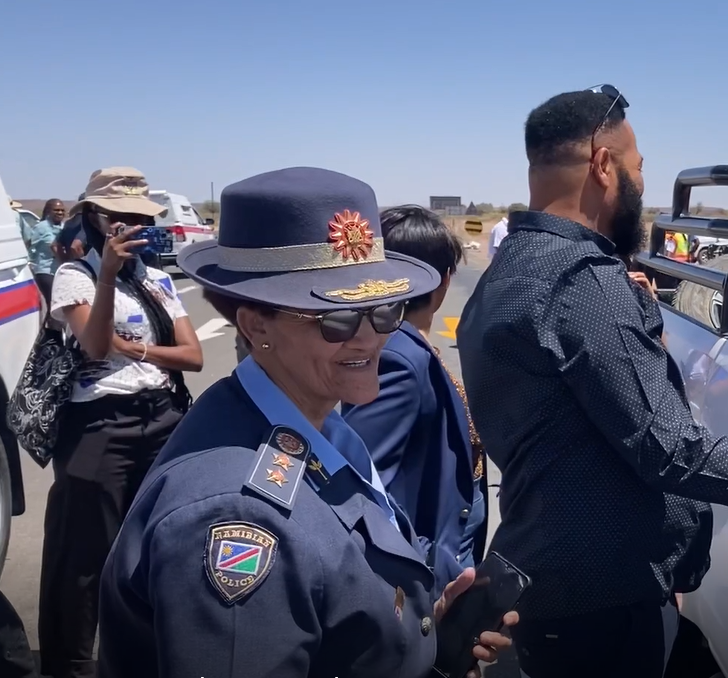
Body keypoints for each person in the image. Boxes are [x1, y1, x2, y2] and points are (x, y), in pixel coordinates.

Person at [457, 87, 728, 678]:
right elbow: (671, 450)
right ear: (604, 166)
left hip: (556, 586)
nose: (641, 184)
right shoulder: (582, 282)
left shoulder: (513, 268)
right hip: (600, 609)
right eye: (638, 167)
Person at [98, 166, 515, 678]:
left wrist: (423, 635)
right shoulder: (241, 517)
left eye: (386, 310)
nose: (370, 338)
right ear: (256, 325)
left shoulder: (313, 427)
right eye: (337, 319)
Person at [39, 167, 202, 678]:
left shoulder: (157, 279)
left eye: (141, 217)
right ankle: (70, 665)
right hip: (99, 423)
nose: (132, 226)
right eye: (120, 216)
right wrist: (107, 274)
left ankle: (140, 657)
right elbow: (94, 345)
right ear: (94, 217)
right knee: (82, 558)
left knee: (158, 546)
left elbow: (193, 356)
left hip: (163, 416)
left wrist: (137, 349)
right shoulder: (76, 276)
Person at [342, 205, 489, 597]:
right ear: (444, 280)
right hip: (425, 572)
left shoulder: (406, 346)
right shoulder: (399, 357)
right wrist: (428, 566)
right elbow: (365, 486)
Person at [22, 199, 65, 301]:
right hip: (45, 271)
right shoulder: (42, 227)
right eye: (56, 210)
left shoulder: (64, 227)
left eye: (62, 210)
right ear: (49, 211)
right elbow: (28, 243)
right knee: (53, 302)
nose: (60, 212)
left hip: (59, 270)